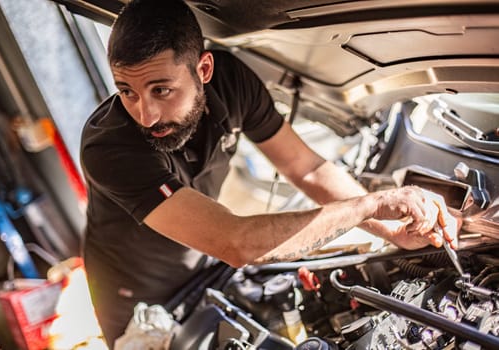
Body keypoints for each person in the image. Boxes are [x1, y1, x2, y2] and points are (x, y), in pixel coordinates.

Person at [79, 0, 458, 348]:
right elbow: (236, 242)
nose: (145, 115)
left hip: (212, 270)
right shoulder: (109, 148)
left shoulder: (232, 83)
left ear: (204, 69)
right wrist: (371, 205)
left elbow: (305, 168)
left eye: (161, 90)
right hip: (144, 311)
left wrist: (389, 230)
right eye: (126, 91)